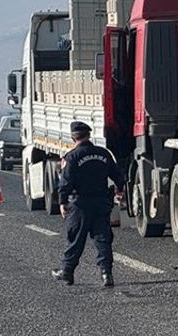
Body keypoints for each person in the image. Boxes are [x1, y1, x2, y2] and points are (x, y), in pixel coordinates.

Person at [51, 121, 125, 287]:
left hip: (80, 205)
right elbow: (117, 174)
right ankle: (107, 274)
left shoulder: (72, 157)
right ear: (89, 135)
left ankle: (67, 272)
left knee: (75, 239)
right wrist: (120, 189)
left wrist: (62, 202)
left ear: (73, 137)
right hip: (101, 203)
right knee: (102, 239)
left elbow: (66, 182)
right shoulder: (103, 153)